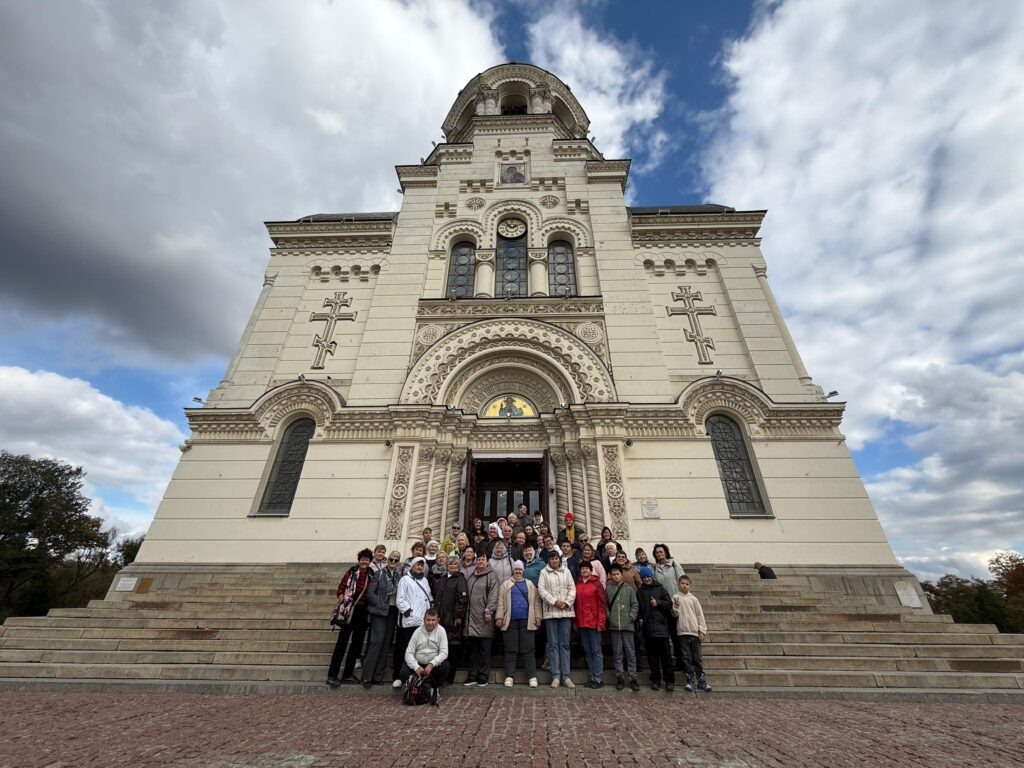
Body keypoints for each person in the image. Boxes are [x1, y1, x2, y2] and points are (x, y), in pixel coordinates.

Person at [326, 548, 374, 687]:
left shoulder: (371, 574)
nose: (364, 562)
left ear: (370, 561)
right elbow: (341, 588)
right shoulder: (352, 571)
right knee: (342, 643)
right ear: (359, 560)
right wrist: (342, 600)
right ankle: (332, 675)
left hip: (363, 611)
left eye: (367, 559)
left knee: (356, 645)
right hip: (349, 610)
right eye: (362, 559)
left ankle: (348, 673)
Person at [495, 559, 541, 687]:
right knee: (510, 649)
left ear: (523, 571)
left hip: (527, 620)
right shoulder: (505, 584)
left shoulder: (530, 584)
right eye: (516, 569)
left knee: (529, 649)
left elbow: (536, 602)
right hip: (510, 620)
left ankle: (531, 676)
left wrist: (538, 617)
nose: (518, 571)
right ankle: (509, 676)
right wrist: (499, 617)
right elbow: (500, 602)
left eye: (520, 569)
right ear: (513, 571)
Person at [361, 549, 402, 688]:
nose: (393, 561)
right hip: (380, 612)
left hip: (393, 611)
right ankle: (367, 677)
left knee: (385, 644)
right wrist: (379, 604)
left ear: (398, 562)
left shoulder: (400, 576)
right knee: (376, 642)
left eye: (396, 560)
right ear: (387, 560)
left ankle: (378, 677)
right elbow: (370, 593)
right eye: (391, 559)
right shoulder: (379, 574)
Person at [538, 549, 576, 688]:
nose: (554, 560)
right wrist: (555, 602)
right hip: (551, 613)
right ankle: (555, 676)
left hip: (565, 612)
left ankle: (566, 676)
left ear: (559, 559)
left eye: (556, 558)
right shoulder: (544, 572)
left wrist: (567, 602)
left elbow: (572, 588)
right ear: (549, 560)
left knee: (564, 644)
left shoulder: (566, 571)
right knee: (553, 645)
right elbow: (541, 590)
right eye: (552, 558)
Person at [394, 556, 433, 689]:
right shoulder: (405, 580)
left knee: (417, 651)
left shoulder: (425, 581)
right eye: (418, 565)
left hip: (421, 622)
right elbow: (400, 599)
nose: (420, 567)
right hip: (408, 622)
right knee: (403, 649)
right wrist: (408, 611)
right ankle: (398, 676)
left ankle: (414, 676)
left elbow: (428, 598)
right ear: (413, 566)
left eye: (422, 565)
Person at [637, 565, 675, 692]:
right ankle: (656, 680)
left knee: (666, 657)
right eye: (644, 577)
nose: (646, 579)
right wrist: (640, 618)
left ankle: (669, 681)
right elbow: (639, 608)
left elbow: (669, 604)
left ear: (651, 577)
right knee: (652, 658)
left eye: (648, 577)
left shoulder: (660, 588)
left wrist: (657, 603)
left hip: (662, 628)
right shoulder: (640, 592)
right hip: (648, 629)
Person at [463, 551, 498, 686]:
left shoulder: (491, 576)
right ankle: (472, 675)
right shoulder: (472, 576)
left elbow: (493, 595)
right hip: (471, 618)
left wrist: (489, 610)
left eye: (483, 560)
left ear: (487, 562)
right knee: (473, 650)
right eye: (478, 560)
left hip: (484, 618)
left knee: (484, 650)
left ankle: (483, 676)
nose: (480, 562)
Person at [671, 575, 711, 692]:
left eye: (687, 584)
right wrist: (676, 606)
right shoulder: (675, 597)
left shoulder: (693, 599)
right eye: (682, 583)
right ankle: (689, 679)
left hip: (694, 632)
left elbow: (699, 615)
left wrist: (702, 630)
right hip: (682, 632)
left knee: (697, 657)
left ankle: (701, 680)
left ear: (690, 586)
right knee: (686, 657)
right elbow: (674, 614)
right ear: (679, 584)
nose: (684, 586)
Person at [399, 608, 450, 697]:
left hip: (433, 666)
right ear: (424, 620)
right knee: (404, 671)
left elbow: (444, 652)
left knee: (445, 666)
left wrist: (432, 664)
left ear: (438, 620)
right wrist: (416, 667)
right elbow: (408, 653)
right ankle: (411, 685)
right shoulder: (417, 632)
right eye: (428, 620)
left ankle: (434, 687)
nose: (430, 623)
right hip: (418, 665)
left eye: (433, 620)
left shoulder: (441, 631)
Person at [433, 554, 468, 684]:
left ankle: (449, 677)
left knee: (452, 648)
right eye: (450, 564)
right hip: (440, 618)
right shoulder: (443, 579)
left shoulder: (460, 579)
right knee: (441, 648)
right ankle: (440, 675)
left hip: (452, 619)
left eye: (455, 564)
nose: (452, 566)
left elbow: (462, 598)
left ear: (458, 566)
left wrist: (458, 615)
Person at [652, 543, 687, 669]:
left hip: (675, 603)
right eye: (657, 552)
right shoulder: (655, 568)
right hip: (662, 605)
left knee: (677, 634)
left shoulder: (674, 564)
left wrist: (681, 597)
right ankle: (668, 661)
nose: (659, 554)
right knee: (667, 634)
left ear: (666, 552)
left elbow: (682, 581)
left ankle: (681, 660)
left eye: (661, 551)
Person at [606, 564, 640, 691]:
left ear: (621, 575)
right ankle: (620, 677)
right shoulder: (608, 589)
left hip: (627, 626)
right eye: (613, 574)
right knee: (618, 653)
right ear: (610, 576)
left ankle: (633, 678)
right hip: (614, 626)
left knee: (630, 653)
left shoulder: (629, 588)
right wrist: (610, 617)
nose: (615, 576)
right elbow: (605, 605)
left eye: (617, 574)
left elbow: (635, 604)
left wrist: (631, 617)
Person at [574, 561, 607, 689]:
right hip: (582, 623)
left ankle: (598, 678)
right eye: (583, 569)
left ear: (591, 570)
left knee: (596, 651)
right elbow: (576, 605)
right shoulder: (577, 584)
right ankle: (592, 676)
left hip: (594, 623)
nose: (585, 570)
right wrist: (575, 622)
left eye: (587, 568)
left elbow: (602, 605)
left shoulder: (596, 584)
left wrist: (601, 622)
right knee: (588, 652)